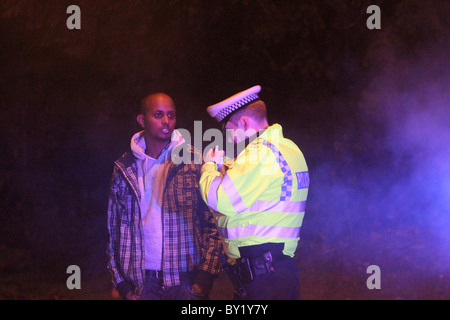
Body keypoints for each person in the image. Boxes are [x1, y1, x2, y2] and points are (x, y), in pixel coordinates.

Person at [107, 93, 222, 300]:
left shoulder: (193, 161)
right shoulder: (124, 168)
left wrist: (205, 277)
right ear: (142, 120)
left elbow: (213, 221)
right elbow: (114, 230)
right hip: (141, 282)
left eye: (171, 115)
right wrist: (122, 283)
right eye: (158, 115)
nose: (166, 121)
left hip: (185, 280)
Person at [199, 85, 309, 300]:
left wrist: (209, 166)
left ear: (243, 123)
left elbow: (222, 199)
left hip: (263, 278)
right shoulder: (288, 148)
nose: (228, 136)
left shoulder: (260, 153)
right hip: (278, 272)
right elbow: (258, 197)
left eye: (227, 129)